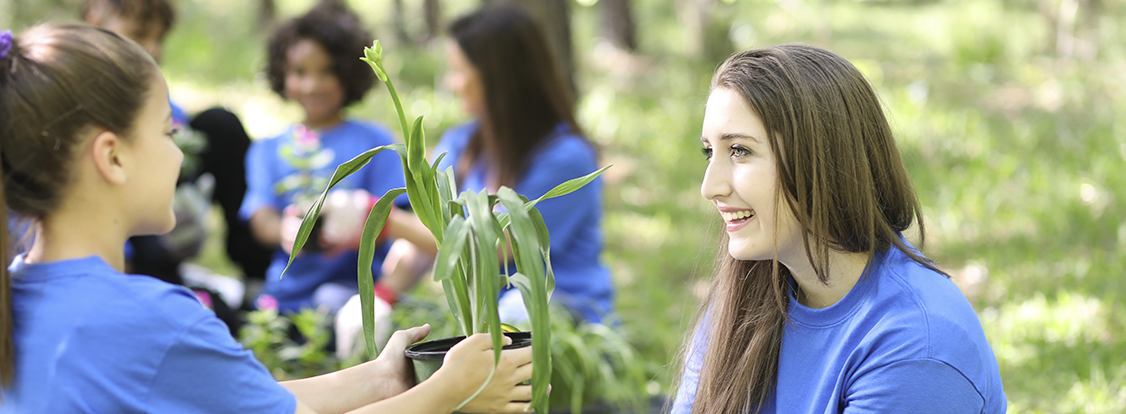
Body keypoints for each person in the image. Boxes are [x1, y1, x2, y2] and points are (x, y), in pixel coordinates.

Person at [0, 24, 534, 413]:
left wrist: (382, 378)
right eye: (167, 133)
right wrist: (447, 394)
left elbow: (250, 402)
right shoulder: (151, 321)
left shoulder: (3, 295)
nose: (178, 153)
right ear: (111, 156)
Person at [670, 44, 1006, 413]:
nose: (710, 187)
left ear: (822, 161)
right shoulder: (748, 291)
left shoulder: (917, 345)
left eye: (739, 150)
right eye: (709, 152)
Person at [390, 4, 615, 325]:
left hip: (562, 320)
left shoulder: (567, 157)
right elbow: (429, 232)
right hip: (481, 321)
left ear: (498, 76)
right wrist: (382, 297)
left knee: (516, 311)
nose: (452, 83)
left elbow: (494, 246)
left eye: (458, 70)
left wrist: (384, 219)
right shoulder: (461, 141)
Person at [82, 0, 270, 333]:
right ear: (95, 20)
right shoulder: (77, 106)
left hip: (158, 231)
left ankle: (256, 280)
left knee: (220, 124)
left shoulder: (157, 100)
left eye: (159, 39)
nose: (152, 50)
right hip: (115, 259)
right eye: (139, 35)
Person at [244, 3, 433, 319]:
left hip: (354, 293)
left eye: (327, 71)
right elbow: (260, 216)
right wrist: (285, 230)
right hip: (283, 296)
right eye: (299, 72)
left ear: (348, 73)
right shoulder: (266, 149)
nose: (311, 85)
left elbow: (407, 226)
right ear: (281, 73)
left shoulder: (377, 144)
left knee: (333, 304)